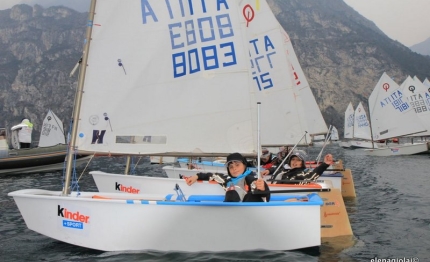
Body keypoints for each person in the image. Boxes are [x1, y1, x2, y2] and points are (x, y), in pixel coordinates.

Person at [186, 152, 271, 202]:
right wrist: (197, 176)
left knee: (245, 195)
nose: (234, 168)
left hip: (249, 213)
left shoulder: (250, 178)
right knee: (231, 193)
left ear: (245, 165)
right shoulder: (226, 180)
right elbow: (212, 176)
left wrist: (263, 189)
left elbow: (265, 197)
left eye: (237, 165)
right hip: (231, 214)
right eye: (231, 167)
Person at [262, 150, 334, 184]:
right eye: (293, 159)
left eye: (298, 160)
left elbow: (312, 175)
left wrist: (325, 164)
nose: (295, 162)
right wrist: (269, 170)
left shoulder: (301, 173)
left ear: (302, 163)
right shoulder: (284, 169)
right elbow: (276, 168)